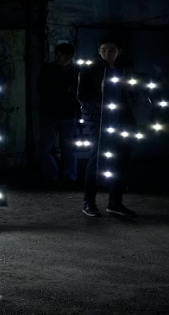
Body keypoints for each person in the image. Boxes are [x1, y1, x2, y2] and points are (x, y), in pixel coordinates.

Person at [78, 37, 137, 218]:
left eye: (112, 50)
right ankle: (89, 203)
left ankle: (115, 202)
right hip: (99, 120)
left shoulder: (125, 69)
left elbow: (133, 93)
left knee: (121, 159)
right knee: (97, 159)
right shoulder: (89, 69)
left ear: (119, 51)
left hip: (122, 119)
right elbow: (81, 96)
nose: (107, 54)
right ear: (99, 51)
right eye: (104, 50)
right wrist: (101, 91)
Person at [37, 43, 79, 186]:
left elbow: (78, 91)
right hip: (49, 112)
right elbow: (41, 89)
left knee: (69, 147)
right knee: (47, 147)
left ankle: (69, 176)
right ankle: (52, 175)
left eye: (61, 54)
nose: (58, 57)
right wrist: (65, 90)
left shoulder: (77, 70)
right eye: (57, 54)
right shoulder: (48, 68)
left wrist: (60, 91)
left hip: (67, 113)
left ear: (69, 56)